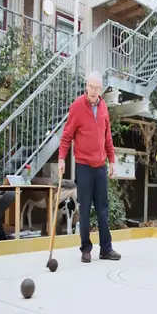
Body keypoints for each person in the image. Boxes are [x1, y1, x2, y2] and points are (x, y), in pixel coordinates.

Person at [58, 70, 121, 263]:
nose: (94, 91)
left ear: (101, 89)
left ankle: (106, 249)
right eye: (91, 87)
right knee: (84, 209)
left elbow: (107, 136)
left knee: (103, 208)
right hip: (84, 166)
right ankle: (86, 249)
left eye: (98, 88)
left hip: (100, 167)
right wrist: (61, 158)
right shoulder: (77, 106)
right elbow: (67, 135)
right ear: (86, 86)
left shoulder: (103, 108)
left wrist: (111, 159)